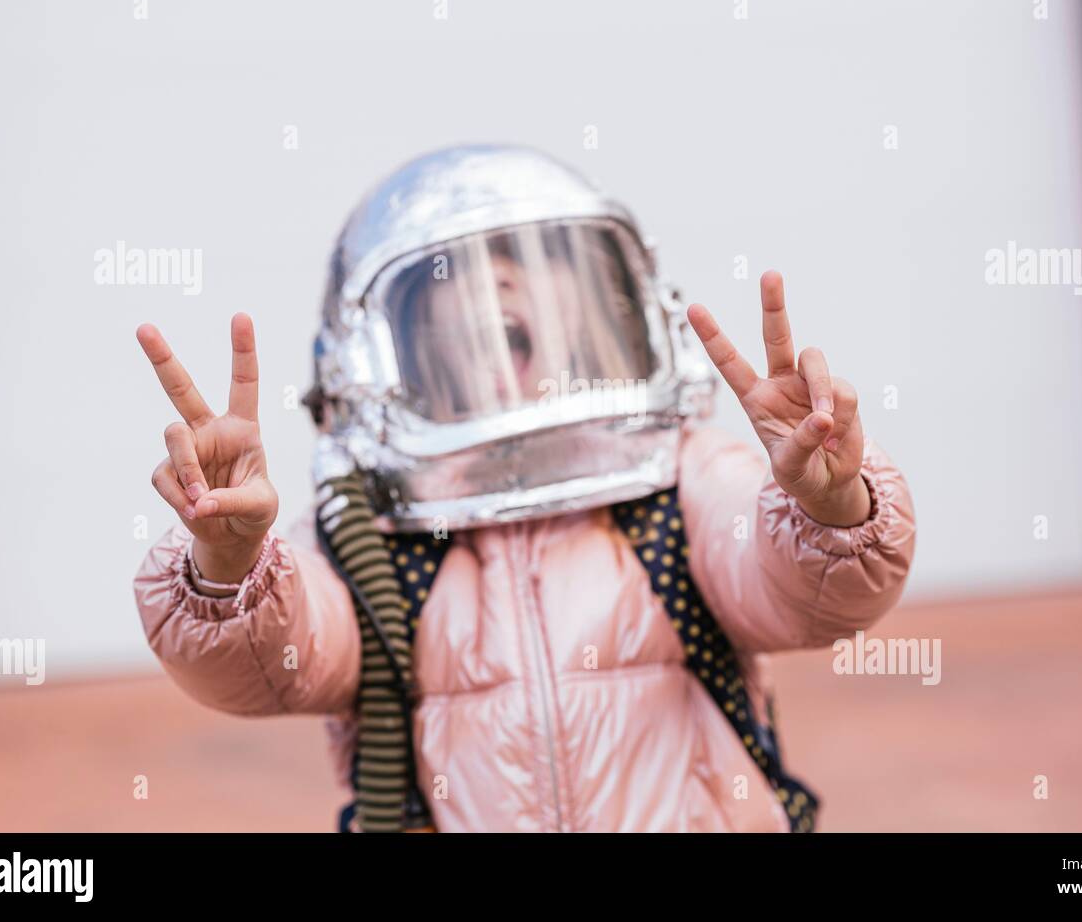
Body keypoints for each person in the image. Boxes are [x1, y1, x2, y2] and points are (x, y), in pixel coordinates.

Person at [133, 145, 916, 832]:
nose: (490, 295)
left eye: (524, 279)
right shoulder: (367, 533)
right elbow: (272, 666)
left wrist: (828, 504)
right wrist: (228, 561)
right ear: (387, 360)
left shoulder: (678, 482)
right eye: (453, 299)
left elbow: (816, 598)